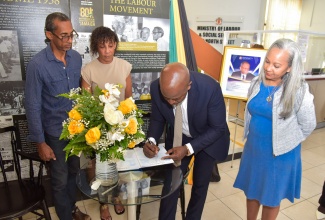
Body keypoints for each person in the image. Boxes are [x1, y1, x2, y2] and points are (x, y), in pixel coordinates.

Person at [233, 38, 316, 220]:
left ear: (290, 68)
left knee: (271, 196)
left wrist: (286, 141)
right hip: (254, 148)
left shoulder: (299, 90)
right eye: (268, 62)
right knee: (252, 190)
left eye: (276, 65)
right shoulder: (256, 82)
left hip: (279, 154)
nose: (269, 68)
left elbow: (308, 124)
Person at [24, 12, 91, 220]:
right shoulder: (37, 65)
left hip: (76, 131)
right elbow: (32, 105)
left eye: (72, 35)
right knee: (60, 180)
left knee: (74, 173)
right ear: (49, 34)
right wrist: (40, 142)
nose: (69, 40)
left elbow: (79, 95)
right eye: (64, 36)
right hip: (55, 134)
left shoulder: (76, 59)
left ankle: (71, 210)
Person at [143, 62, 230, 219]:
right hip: (179, 135)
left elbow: (218, 128)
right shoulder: (156, 87)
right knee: (171, 183)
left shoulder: (210, 88)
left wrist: (188, 148)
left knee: (200, 185)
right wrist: (151, 140)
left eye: (176, 98)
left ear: (188, 86)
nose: (170, 102)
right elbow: (157, 118)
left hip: (208, 137)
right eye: (166, 97)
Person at [81, 26, 132, 220]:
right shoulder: (88, 70)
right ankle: (103, 203)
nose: (108, 51)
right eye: (103, 47)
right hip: (97, 127)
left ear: (116, 46)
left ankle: (117, 197)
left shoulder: (125, 66)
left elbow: (128, 99)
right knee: (99, 166)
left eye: (111, 45)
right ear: (96, 47)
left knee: (117, 164)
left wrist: (124, 122)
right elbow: (85, 103)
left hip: (119, 125)